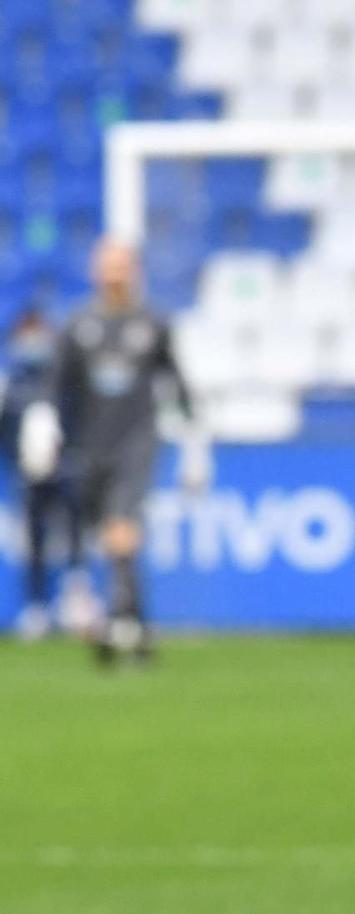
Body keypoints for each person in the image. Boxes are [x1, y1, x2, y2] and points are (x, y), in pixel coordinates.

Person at [34, 239, 206, 664]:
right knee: (109, 536)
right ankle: (137, 625)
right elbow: (57, 385)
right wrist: (44, 425)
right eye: (106, 266)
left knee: (122, 522)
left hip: (138, 440)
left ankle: (119, 620)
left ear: (134, 270)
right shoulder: (77, 325)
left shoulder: (153, 323)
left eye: (121, 266)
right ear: (95, 271)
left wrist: (195, 443)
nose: (113, 274)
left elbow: (177, 381)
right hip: (91, 445)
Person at [2, 304, 81, 639]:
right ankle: (36, 606)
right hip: (29, 474)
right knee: (35, 539)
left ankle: (76, 599)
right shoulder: (12, 385)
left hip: (65, 470)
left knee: (74, 531)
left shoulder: (61, 382)